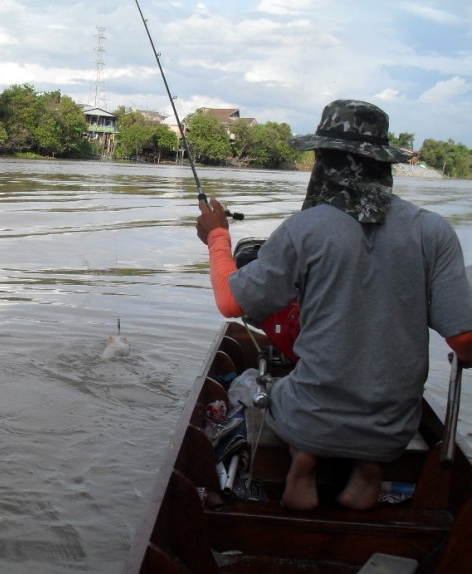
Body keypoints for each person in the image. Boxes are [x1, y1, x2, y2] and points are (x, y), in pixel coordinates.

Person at [196, 99, 472, 511]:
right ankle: (369, 472)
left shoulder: (305, 229)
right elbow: (465, 344)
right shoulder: (434, 232)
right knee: (380, 411)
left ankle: (302, 463)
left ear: (324, 162)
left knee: (283, 391)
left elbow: (230, 301)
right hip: (393, 426)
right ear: (384, 164)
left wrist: (217, 236)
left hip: (311, 417)